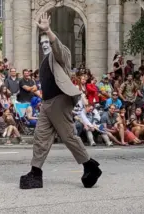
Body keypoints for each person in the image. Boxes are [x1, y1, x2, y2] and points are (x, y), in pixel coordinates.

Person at [19, 13, 102, 190]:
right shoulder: (43, 62)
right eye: (42, 43)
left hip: (59, 101)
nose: (44, 45)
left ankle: (90, 166)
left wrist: (48, 30)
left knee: (68, 136)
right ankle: (35, 173)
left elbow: (58, 48)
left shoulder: (62, 54)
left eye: (47, 42)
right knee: (40, 138)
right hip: (47, 103)